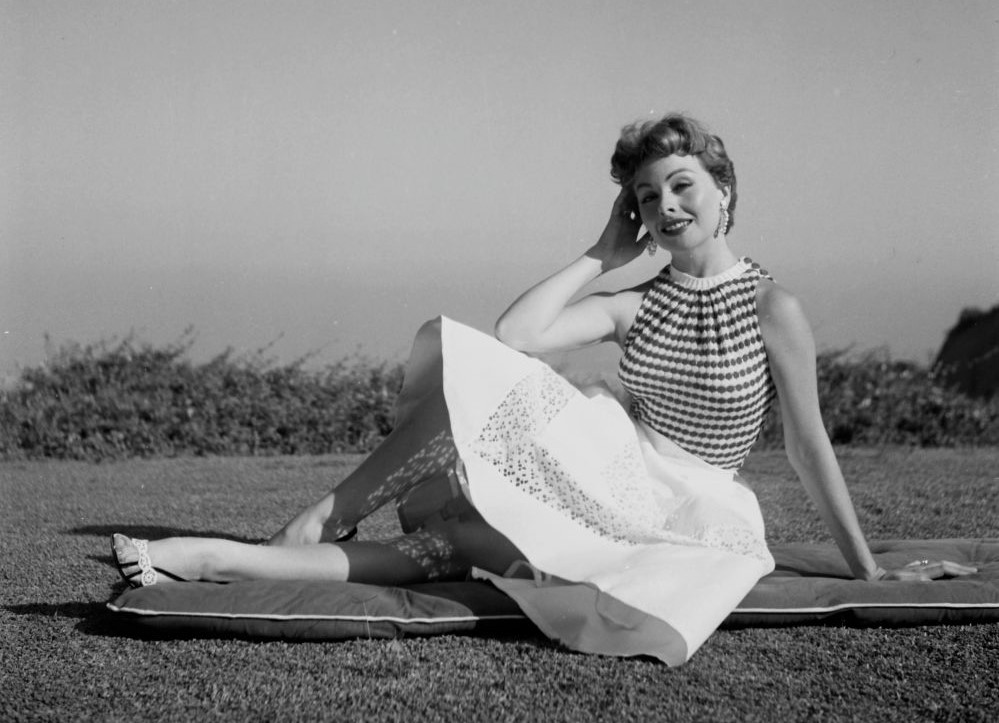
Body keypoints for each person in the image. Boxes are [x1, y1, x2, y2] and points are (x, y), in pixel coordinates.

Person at [112, 113, 975, 664]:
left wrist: (868, 569)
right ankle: (250, 544)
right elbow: (513, 336)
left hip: (696, 501)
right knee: (475, 441)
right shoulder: (635, 302)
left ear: (725, 194)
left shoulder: (771, 304)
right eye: (647, 194)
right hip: (615, 461)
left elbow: (804, 441)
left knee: (464, 539)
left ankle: (244, 547)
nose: (666, 204)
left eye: (682, 186)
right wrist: (601, 253)